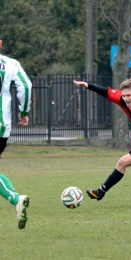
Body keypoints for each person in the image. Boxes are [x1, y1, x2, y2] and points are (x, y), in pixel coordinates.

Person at [0, 40, 32, 228]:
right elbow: (26, 87)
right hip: (3, 126)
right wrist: (24, 113)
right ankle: (16, 200)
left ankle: (15, 198)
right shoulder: (10, 64)